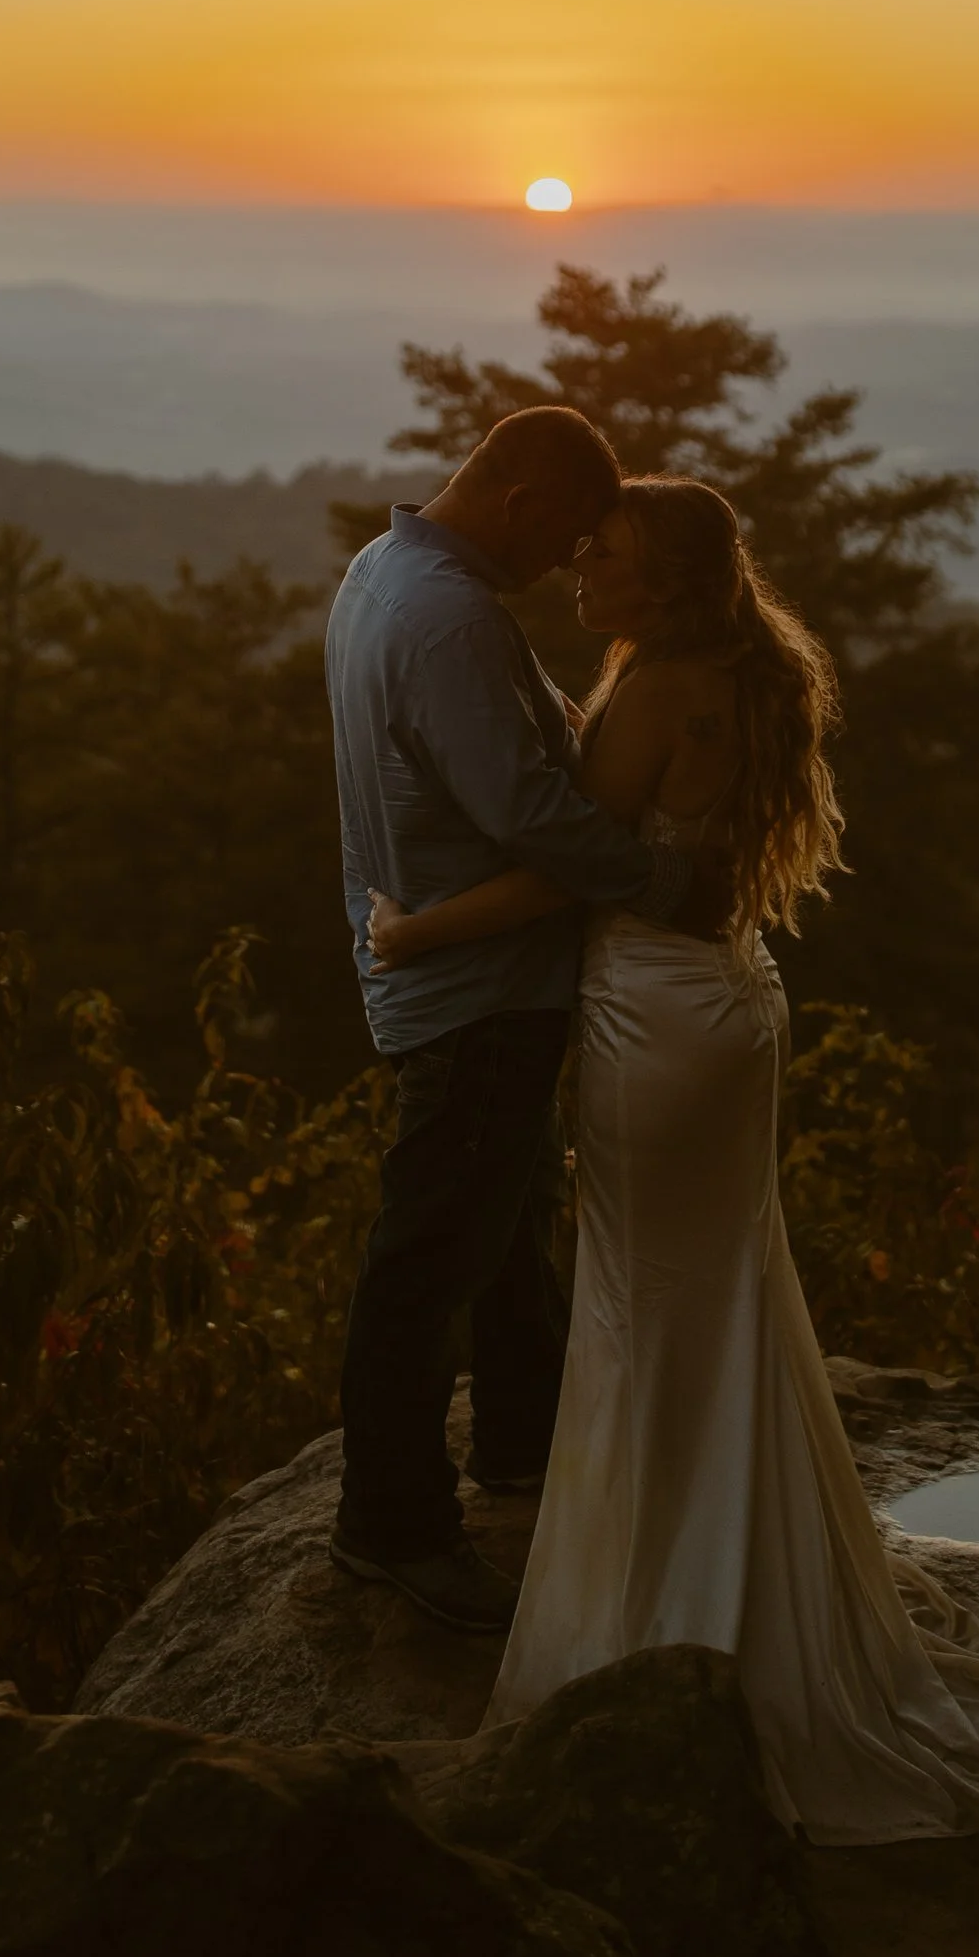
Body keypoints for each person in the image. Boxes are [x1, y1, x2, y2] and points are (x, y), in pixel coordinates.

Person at [365, 472, 979, 1844]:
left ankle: (658, 1614)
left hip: (659, 1016)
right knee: (713, 1291)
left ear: (665, 579)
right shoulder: (702, 667)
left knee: (650, 1300)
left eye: (601, 550)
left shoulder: (670, 676)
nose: (576, 563)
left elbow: (576, 863)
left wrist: (413, 932)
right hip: (723, 998)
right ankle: (732, 1573)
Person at [325, 406, 720, 1634]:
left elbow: (515, 748)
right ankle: (391, 1527)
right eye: (564, 539)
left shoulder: (382, 572)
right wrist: (665, 881)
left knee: (505, 1228)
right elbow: (532, 819)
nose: (566, 567)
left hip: (444, 967)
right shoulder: (450, 618)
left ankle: (520, 1446)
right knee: (428, 1255)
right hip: (476, 986)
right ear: (519, 501)